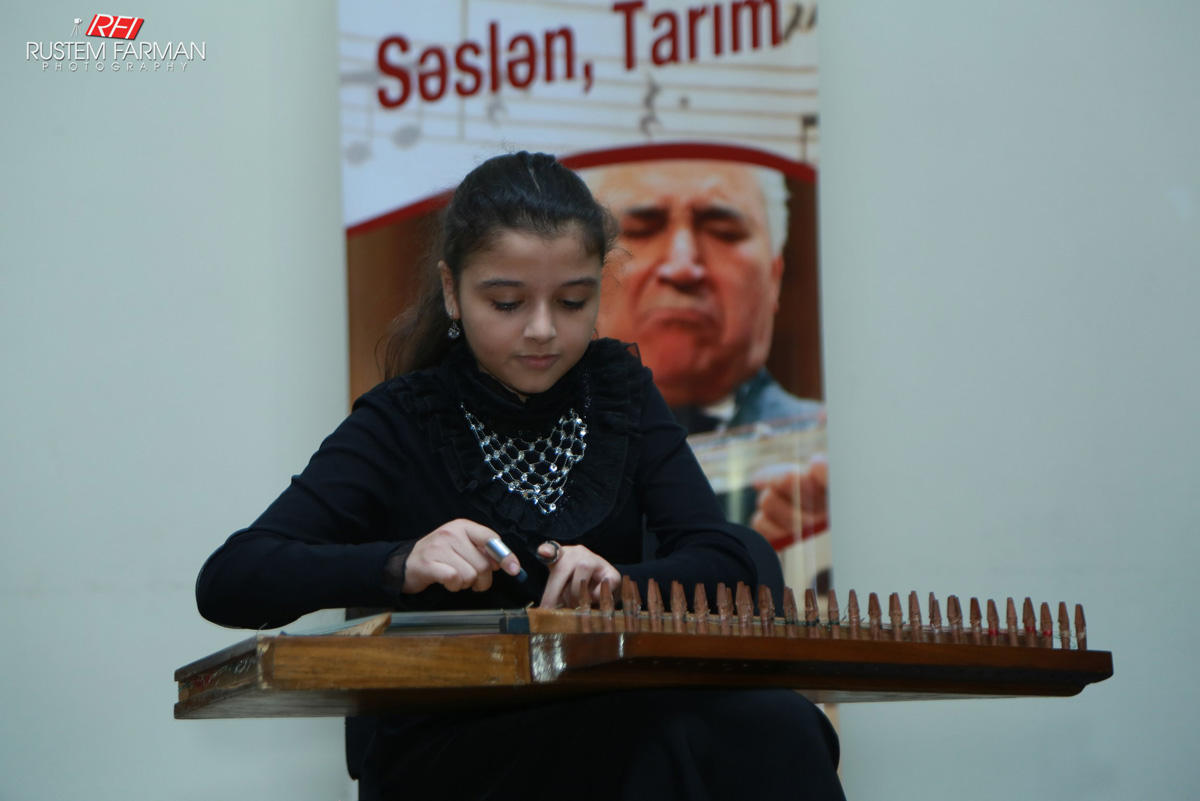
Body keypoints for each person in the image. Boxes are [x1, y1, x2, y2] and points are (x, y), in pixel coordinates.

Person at [195, 152, 844, 801]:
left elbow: (730, 561)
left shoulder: (616, 395)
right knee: (668, 738)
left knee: (778, 723)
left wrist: (619, 583)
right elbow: (231, 579)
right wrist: (401, 562)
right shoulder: (403, 421)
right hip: (456, 750)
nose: (542, 330)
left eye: (572, 300)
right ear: (452, 290)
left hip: (608, 711)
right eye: (507, 301)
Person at [584, 160, 829, 555]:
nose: (683, 266)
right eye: (641, 228)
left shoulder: (824, 460)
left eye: (723, 231)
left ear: (775, 276)